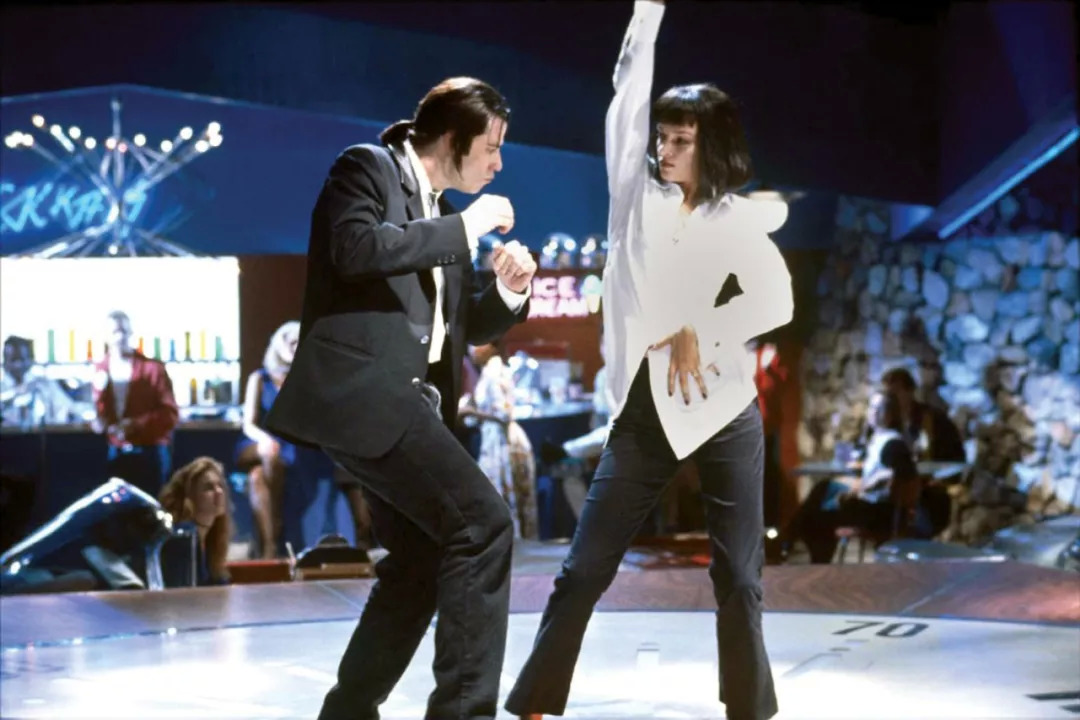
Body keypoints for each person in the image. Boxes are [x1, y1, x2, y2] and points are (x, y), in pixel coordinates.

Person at [505, 3, 792, 719]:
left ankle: (749, 710)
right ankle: (535, 702)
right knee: (583, 570)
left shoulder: (736, 220)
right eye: (661, 137)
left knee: (740, 578)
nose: (664, 150)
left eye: (681, 140)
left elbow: (777, 298)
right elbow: (628, 93)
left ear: (711, 145)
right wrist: (648, 14)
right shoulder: (633, 198)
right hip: (646, 413)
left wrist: (705, 329)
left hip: (727, 412)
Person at [262, 76, 537, 720]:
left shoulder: (442, 213)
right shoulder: (366, 168)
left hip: (406, 405)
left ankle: (348, 711)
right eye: (491, 147)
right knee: (484, 527)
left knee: (420, 559)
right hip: (364, 396)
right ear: (452, 138)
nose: (498, 164)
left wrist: (509, 291)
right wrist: (464, 227)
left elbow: (457, 328)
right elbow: (355, 249)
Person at [793, 389, 919, 563]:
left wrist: (857, 490)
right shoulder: (879, 438)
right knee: (822, 492)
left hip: (879, 512)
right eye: (872, 407)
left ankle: (792, 545)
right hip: (872, 505)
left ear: (891, 414)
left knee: (817, 516)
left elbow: (888, 475)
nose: (874, 412)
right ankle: (791, 541)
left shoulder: (893, 443)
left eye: (880, 408)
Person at [91, 311, 179, 496]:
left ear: (131, 333)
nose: (119, 337)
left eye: (123, 331)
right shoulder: (100, 369)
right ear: (106, 336)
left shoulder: (152, 368)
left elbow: (170, 414)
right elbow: (99, 411)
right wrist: (100, 422)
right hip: (116, 451)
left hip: (150, 451)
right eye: (114, 332)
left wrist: (136, 424)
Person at [235, 321, 301, 558]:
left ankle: (269, 546)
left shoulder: (302, 380)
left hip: (288, 450)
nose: (296, 347)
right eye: (292, 342)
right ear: (279, 344)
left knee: (257, 479)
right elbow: (248, 424)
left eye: (300, 343)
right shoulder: (259, 378)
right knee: (269, 451)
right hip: (256, 443)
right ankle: (277, 520)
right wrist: (266, 440)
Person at [465, 343, 538, 539]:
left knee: (499, 499)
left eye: (477, 344)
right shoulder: (488, 371)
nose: (472, 350)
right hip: (493, 438)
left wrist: (472, 412)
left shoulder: (494, 372)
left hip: (502, 441)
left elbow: (504, 413)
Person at [158, 456, 232, 586]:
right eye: (209, 488)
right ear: (190, 497)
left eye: (220, 485)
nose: (219, 492)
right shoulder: (181, 538)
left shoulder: (211, 540)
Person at [1, 335, 87, 427]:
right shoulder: (2, 390)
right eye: (13, 360)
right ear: (5, 363)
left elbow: (71, 407)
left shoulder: (44, 384)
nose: (18, 365)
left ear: (30, 361)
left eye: (22, 359)